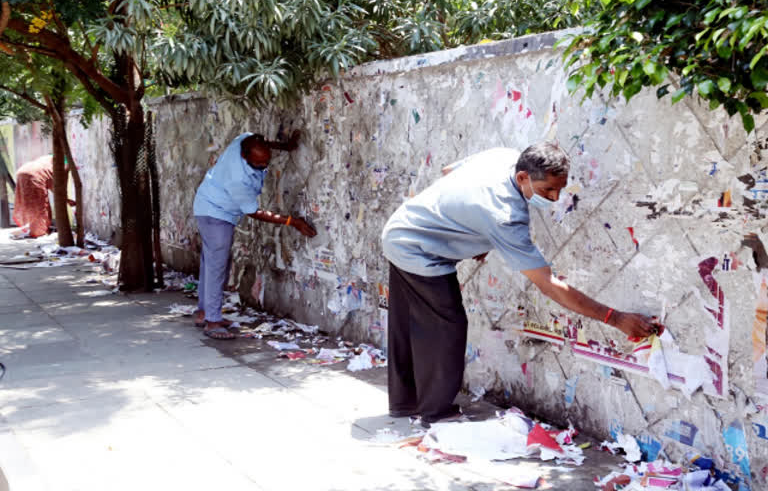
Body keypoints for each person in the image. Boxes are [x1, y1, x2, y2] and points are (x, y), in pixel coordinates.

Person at [380, 142, 657, 426]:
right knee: (446, 325)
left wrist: (471, 224)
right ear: (523, 177)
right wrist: (616, 318)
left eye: (559, 189)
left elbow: (449, 171)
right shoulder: (507, 217)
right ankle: (436, 413)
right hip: (418, 250)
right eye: (547, 190)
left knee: (406, 323)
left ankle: (404, 403)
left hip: (402, 227)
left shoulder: (503, 157)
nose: (554, 197)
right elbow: (548, 285)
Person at [193, 131, 317, 340]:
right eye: (258, 163)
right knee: (216, 267)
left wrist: (286, 147)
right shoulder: (237, 179)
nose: (263, 166)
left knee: (211, 263)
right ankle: (212, 322)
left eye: (266, 160)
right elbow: (254, 212)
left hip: (208, 206)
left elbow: (262, 142)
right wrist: (292, 221)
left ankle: (205, 312)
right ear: (244, 157)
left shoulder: (243, 141)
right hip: (216, 214)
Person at [12, 154, 75, 238]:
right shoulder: (63, 165)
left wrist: (66, 199)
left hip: (22, 172)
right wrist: (67, 200)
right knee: (41, 207)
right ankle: (39, 232)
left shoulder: (49, 158)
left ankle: (32, 228)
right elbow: (58, 188)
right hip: (35, 175)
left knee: (29, 204)